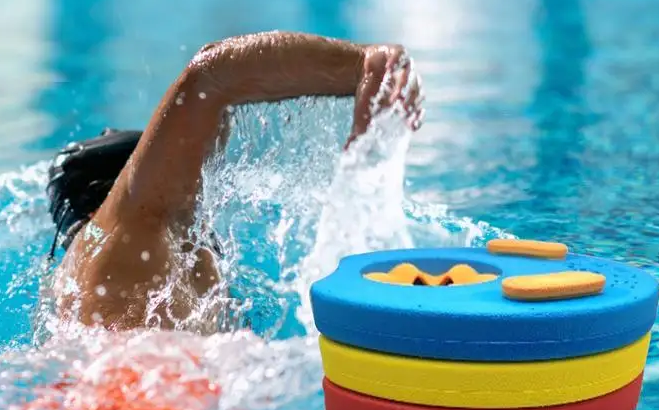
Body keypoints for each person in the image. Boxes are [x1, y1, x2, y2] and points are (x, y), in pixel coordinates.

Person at [46, 31, 424, 332]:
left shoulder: (79, 284)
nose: (199, 196)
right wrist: (367, 63)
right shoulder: (130, 229)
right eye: (191, 182)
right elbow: (210, 77)